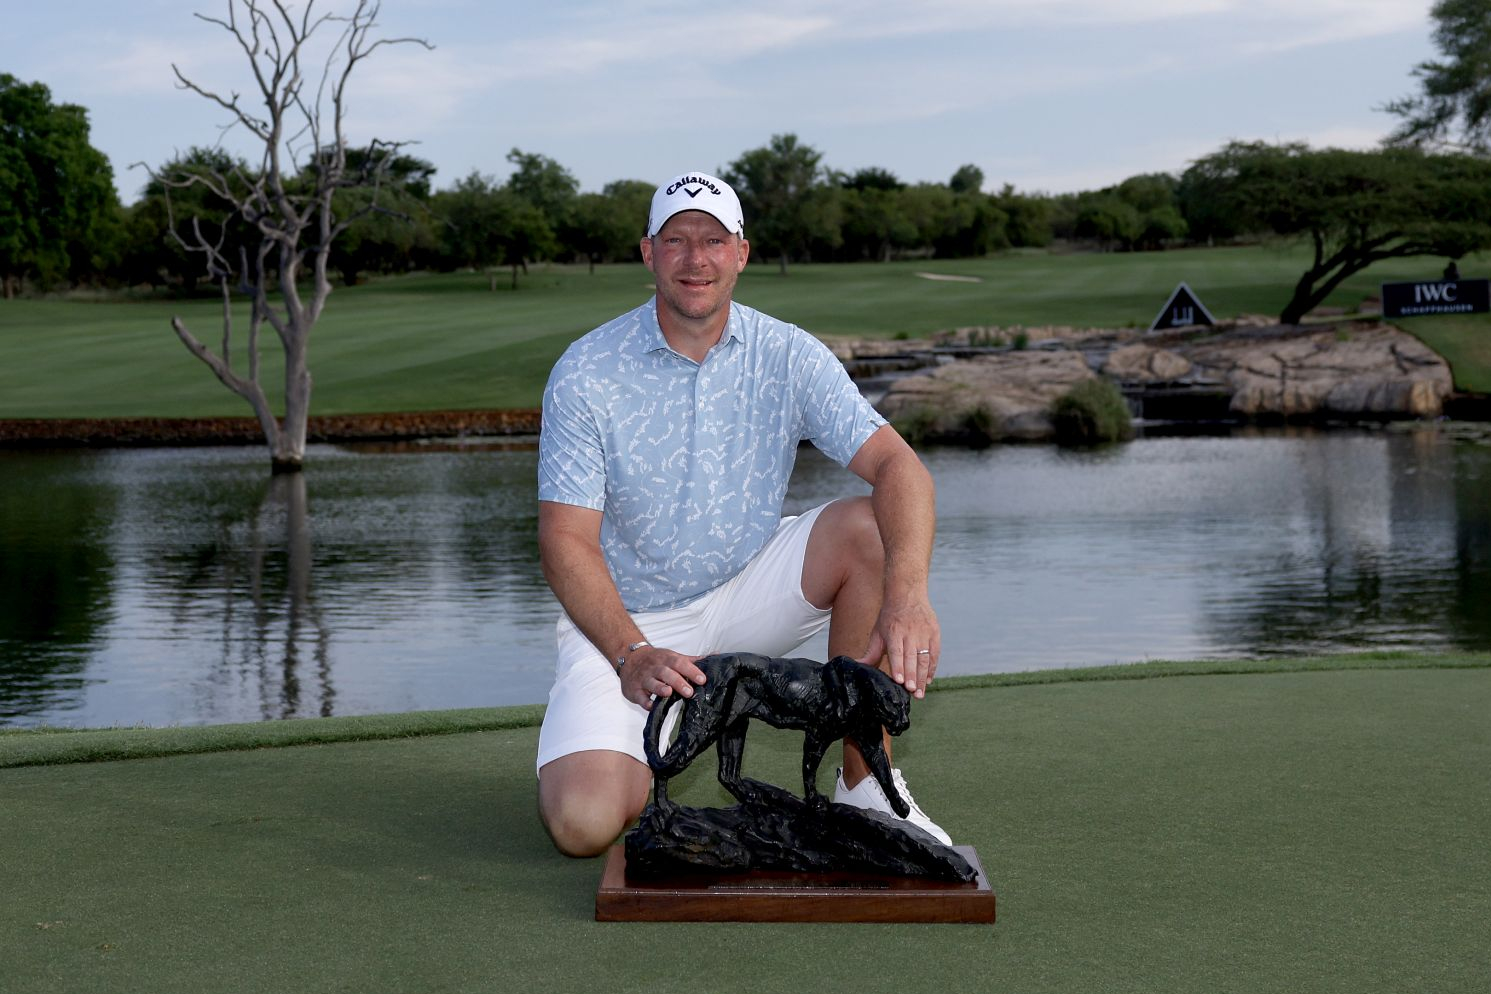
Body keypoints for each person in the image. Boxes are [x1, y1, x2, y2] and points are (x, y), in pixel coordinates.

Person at [534, 171, 948, 857]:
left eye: (713, 241)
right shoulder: (585, 371)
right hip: (628, 621)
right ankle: (629, 738)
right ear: (648, 253)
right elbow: (565, 540)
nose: (696, 259)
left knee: (868, 527)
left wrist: (907, 597)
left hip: (749, 587)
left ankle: (864, 785)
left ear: (741, 254)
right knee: (583, 824)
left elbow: (900, 467)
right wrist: (630, 652)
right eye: (677, 241)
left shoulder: (786, 353)